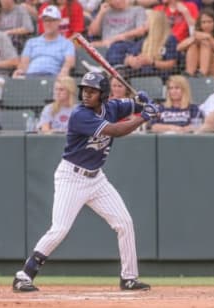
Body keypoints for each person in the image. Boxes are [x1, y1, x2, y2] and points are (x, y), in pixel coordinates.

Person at [12, 71, 159, 292]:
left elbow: (133, 105)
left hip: (97, 179)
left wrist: (143, 103)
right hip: (71, 177)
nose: (86, 95)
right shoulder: (80, 115)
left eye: (92, 91)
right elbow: (117, 130)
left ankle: (129, 277)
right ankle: (24, 275)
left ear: (104, 95)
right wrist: (144, 116)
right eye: (84, 90)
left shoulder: (112, 107)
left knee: (124, 223)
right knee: (60, 228)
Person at [12, 5, 75, 78]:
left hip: (53, 77)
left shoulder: (66, 43)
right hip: (31, 76)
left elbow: (70, 62)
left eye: (52, 20)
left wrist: (65, 70)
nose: (48, 23)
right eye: (45, 20)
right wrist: (21, 72)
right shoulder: (31, 42)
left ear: (59, 21)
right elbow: (24, 64)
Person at [121, 10, 178, 79]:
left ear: (155, 23)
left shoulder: (170, 39)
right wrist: (130, 61)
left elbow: (172, 64)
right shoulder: (144, 40)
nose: (144, 23)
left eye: (147, 20)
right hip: (140, 76)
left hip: (160, 78)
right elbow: (129, 56)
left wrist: (152, 62)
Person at [177, 8, 214, 78]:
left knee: (205, 42)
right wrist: (194, 38)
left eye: (209, 22)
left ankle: (202, 72)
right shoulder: (196, 36)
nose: (206, 25)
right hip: (196, 70)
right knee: (193, 45)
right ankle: (189, 73)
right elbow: (178, 48)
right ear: (200, 24)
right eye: (204, 22)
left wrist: (209, 38)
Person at [88, 0, 148, 64]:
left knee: (116, 47)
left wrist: (118, 38)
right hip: (104, 47)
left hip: (124, 48)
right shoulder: (105, 11)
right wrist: (101, 13)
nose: (118, 1)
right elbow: (92, 32)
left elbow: (141, 31)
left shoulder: (137, 10)